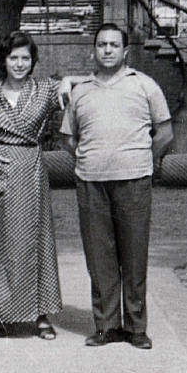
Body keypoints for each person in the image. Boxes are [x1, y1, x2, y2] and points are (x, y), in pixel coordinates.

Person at [0, 31, 85, 340]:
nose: (19, 64)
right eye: (13, 58)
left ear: (33, 62)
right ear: (3, 61)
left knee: (34, 242)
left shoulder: (44, 90)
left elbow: (90, 81)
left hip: (30, 173)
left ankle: (40, 315)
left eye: (25, 58)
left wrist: (69, 79)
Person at [60, 23, 173, 350]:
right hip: (91, 183)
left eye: (114, 45)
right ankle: (107, 326)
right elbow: (68, 137)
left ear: (125, 51)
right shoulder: (81, 91)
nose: (107, 50)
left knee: (134, 257)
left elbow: (164, 133)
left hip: (134, 182)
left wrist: (144, 162)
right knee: (100, 258)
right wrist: (90, 157)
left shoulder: (145, 86)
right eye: (101, 45)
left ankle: (136, 327)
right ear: (93, 51)